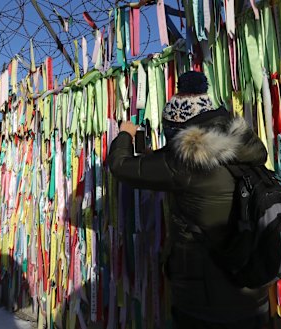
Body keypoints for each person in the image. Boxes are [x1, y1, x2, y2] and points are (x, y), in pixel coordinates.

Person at [107, 71, 270, 328]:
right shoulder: (242, 146)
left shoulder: (184, 161)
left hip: (205, 304)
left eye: (172, 136)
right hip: (254, 294)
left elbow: (121, 166)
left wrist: (125, 135)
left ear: (181, 129)